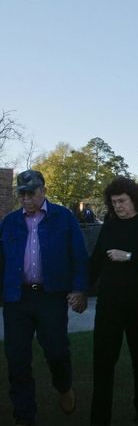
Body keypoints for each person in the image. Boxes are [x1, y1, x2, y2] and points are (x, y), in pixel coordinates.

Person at [0, 169, 89, 426]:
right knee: (17, 359)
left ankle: (64, 386)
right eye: (22, 194)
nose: (26, 199)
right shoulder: (9, 222)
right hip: (17, 299)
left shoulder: (64, 218)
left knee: (56, 351)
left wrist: (80, 289)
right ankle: (24, 415)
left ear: (44, 191)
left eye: (31, 193)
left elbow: (79, 256)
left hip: (51, 297)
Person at [89, 177, 138, 425]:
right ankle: (99, 417)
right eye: (113, 202)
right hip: (109, 304)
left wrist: (129, 256)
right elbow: (96, 261)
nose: (118, 206)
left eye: (122, 201)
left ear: (135, 200)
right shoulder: (110, 226)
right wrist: (80, 289)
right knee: (102, 361)